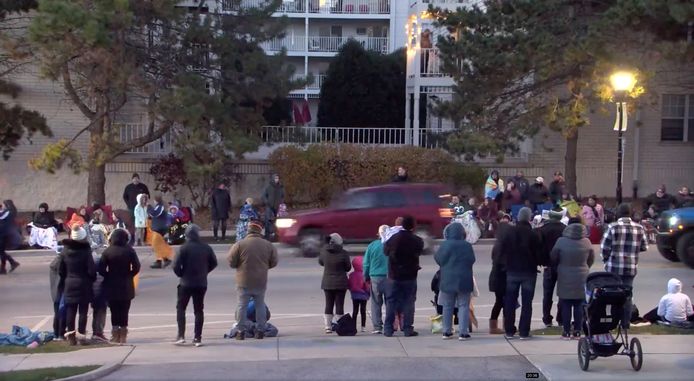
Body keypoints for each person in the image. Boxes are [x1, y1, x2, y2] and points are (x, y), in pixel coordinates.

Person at [228, 221, 278, 340]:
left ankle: (240, 331)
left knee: (242, 306)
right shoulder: (267, 245)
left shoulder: (239, 244)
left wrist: (239, 266)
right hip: (260, 280)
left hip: (243, 280)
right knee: (260, 305)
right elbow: (274, 261)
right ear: (260, 231)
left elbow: (231, 261)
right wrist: (264, 267)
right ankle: (260, 330)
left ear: (248, 230)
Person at [601, 203, 648, 329]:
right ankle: (625, 324)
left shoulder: (612, 227)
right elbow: (644, 247)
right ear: (630, 213)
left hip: (613, 267)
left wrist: (606, 260)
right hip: (630, 267)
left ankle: (613, 323)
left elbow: (604, 247)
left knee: (613, 295)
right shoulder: (639, 228)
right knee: (627, 296)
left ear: (618, 213)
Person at [172, 225, 217, 347]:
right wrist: (205, 271)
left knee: (181, 308)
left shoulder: (183, 248)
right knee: (198, 310)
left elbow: (175, 265)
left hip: (185, 282)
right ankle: (198, 337)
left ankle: (181, 335)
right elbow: (214, 263)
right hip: (201, 283)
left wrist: (181, 274)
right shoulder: (206, 248)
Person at [501, 207, 541, 339]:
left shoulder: (509, 232)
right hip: (529, 271)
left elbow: (502, 251)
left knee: (510, 301)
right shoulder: (533, 234)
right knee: (527, 303)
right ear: (529, 218)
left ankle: (509, 330)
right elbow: (539, 253)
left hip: (512, 270)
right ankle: (524, 331)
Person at [550, 223, 595, 339]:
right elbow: (591, 259)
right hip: (582, 275)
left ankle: (566, 331)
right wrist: (585, 267)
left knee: (566, 304)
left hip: (564, 274)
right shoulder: (587, 242)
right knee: (579, 304)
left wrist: (558, 267)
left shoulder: (561, 241)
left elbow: (553, 257)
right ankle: (577, 331)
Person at [383, 215, 424, 337]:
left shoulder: (393, 239)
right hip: (410, 275)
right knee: (409, 302)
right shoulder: (417, 240)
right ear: (413, 226)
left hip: (394, 275)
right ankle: (407, 328)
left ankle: (388, 329)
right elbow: (419, 251)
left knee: (391, 302)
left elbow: (385, 252)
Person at [99, 229, 140, 344]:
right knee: (124, 310)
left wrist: (108, 275)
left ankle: (115, 333)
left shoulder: (107, 251)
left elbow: (101, 269)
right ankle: (123, 333)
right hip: (126, 284)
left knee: (114, 310)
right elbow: (137, 266)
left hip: (112, 283)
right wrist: (130, 275)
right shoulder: (130, 251)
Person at [435, 222, 476, 341]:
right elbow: (472, 260)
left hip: (448, 279)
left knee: (447, 306)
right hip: (464, 279)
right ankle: (463, 332)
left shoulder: (445, 245)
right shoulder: (467, 246)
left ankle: (446, 331)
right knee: (463, 305)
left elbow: (438, 259)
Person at [59, 226, 96, 345]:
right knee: (83, 311)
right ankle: (81, 336)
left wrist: (66, 278)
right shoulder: (86, 251)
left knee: (71, 310)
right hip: (84, 283)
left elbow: (61, 270)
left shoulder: (65, 251)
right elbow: (91, 270)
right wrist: (92, 279)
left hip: (69, 282)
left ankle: (71, 337)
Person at [537, 209, 567, 328]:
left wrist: (541, 261)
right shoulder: (565, 229)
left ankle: (547, 318)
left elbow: (539, 247)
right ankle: (561, 318)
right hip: (563, 264)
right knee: (562, 293)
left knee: (547, 294)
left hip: (548, 265)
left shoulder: (543, 229)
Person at [319, 233, 351, 334]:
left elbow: (321, 262)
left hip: (327, 282)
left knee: (328, 304)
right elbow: (348, 267)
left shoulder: (324, 251)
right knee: (339, 304)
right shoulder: (344, 253)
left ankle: (328, 326)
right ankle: (340, 325)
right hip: (341, 282)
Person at [363, 225, 389, 334]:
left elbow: (366, 264)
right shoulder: (391, 245)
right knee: (390, 302)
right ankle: (389, 325)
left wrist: (366, 277)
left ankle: (377, 326)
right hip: (389, 277)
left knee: (376, 302)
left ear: (378, 234)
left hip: (375, 277)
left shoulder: (372, 246)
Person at [489, 213, 512, 334]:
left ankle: (495, 325)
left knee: (500, 301)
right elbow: (502, 262)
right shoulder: (504, 246)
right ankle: (504, 325)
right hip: (502, 277)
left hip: (496, 277)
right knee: (504, 302)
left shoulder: (497, 245)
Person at [148, 195, 172, 269]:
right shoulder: (158, 207)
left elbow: (155, 214)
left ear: (156, 201)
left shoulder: (160, 207)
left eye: (154, 201)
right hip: (158, 228)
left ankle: (160, 261)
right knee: (158, 245)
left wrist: (149, 207)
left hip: (160, 229)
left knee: (157, 244)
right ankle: (164, 259)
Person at [348, 256, 369, 333]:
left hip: (354, 295)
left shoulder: (351, 275)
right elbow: (366, 285)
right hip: (363, 295)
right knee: (363, 310)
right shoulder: (364, 275)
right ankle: (363, 326)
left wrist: (351, 290)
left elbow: (349, 284)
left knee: (355, 311)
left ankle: (353, 325)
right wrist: (368, 292)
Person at [262, 174, 285, 240]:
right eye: (275, 178)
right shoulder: (268, 187)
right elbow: (264, 196)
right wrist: (267, 202)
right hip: (269, 206)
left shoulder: (281, 187)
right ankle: (267, 235)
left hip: (277, 206)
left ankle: (277, 235)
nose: (277, 180)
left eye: (277, 178)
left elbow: (283, 196)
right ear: (272, 179)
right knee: (268, 220)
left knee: (277, 221)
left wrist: (281, 202)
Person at [0, 200, 20, 274]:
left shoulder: (9, 211)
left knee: (1, 251)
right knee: (1, 251)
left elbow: (1, 217)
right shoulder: (7, 211)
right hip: (4, 233)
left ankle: (4, 268)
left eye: (4, 204)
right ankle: (11, 263)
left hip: (5, 234)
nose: (3, 206)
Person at [49, 252, 65, 341]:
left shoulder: (54, 266)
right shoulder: (59, 264)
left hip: (56, 293)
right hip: (59, 292)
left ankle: (57, 333)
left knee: (58, 312)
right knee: (61, 312)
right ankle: (59, 333)